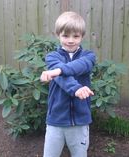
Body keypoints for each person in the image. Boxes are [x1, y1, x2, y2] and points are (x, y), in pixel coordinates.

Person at [40, 11, 96, 157]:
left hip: (80, 120)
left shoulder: (88, 56)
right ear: (58, 35)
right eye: (65, 35)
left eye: (76, 36)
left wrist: (57, 71)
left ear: (82, 36)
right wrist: (76, 89)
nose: (70, 40)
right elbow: (62, 79)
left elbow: (80, 66)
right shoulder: (52, 57)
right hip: (55, 120)